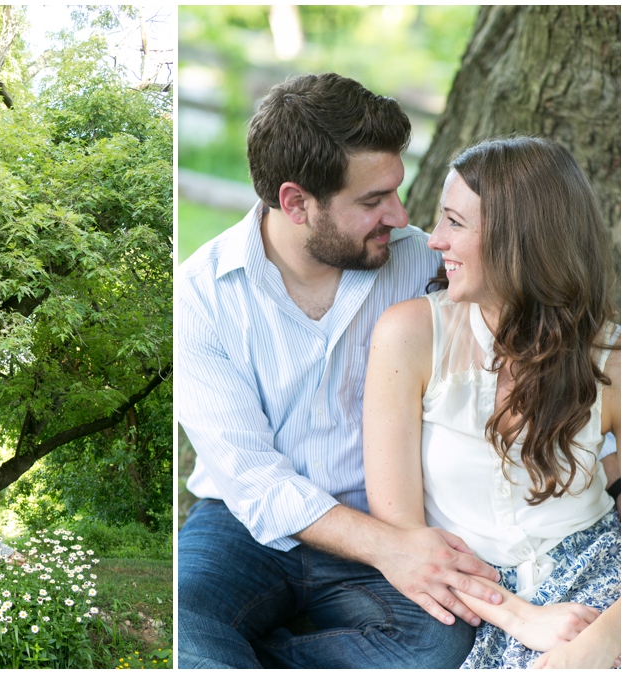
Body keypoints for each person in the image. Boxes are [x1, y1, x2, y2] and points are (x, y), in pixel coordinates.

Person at [178, 72, 507, 669]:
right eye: (372, 201)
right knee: (184, 626)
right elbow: (252, 479)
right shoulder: (199, 295)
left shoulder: (423, 267)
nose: (401, 214)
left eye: (395, 191)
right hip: (244, 529)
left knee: (439, 648)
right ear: (296, 202)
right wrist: (395, 552)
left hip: (391, 515)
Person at [363, 136, 620, 669]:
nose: (433, 241)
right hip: (478, 602)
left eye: (455, 223)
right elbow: (402, 536)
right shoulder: (411, 336)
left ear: (518, 239)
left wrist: (606, 637)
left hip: (605, 571)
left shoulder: (609, 354)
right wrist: (518, 615)